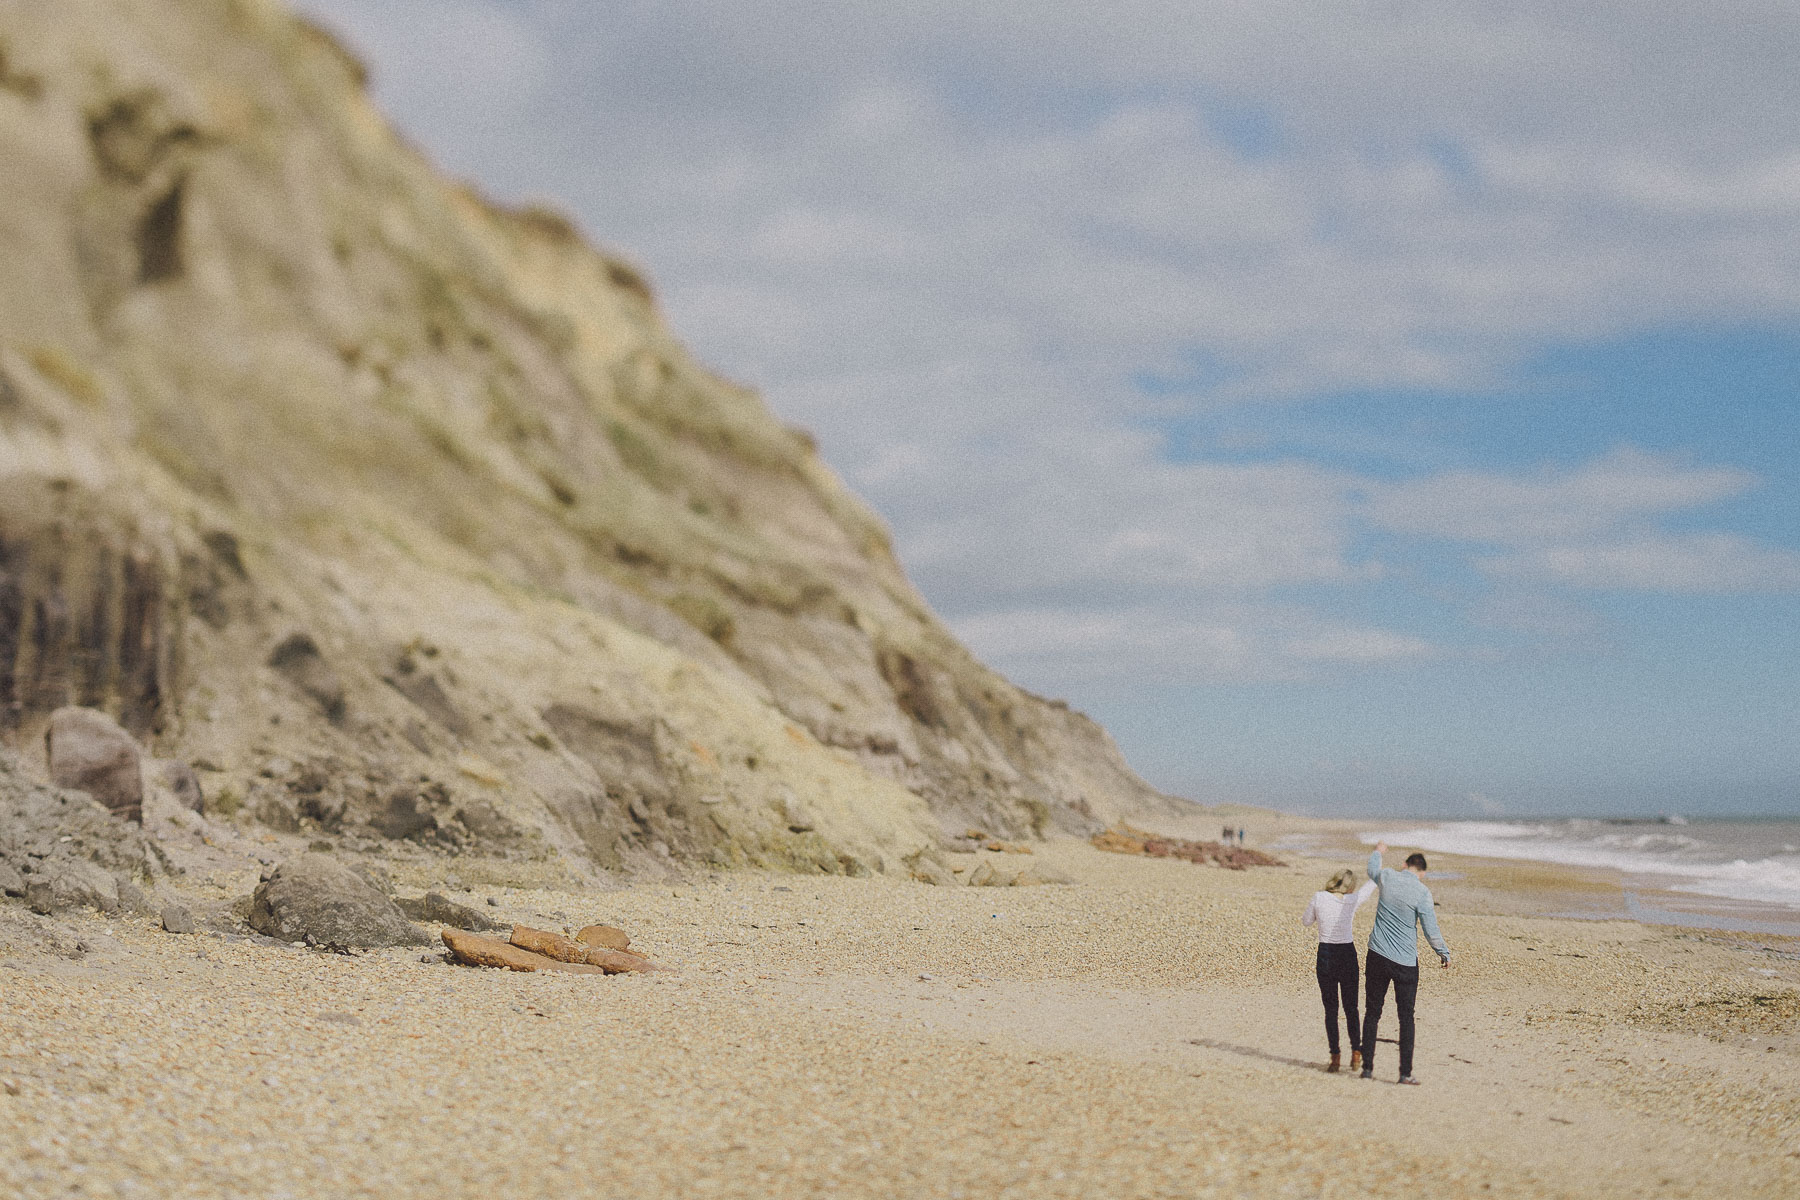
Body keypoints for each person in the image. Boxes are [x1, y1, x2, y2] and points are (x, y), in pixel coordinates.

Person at [1360, 841, 1450, 1085]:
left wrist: (1378, 851)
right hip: (1406, 962)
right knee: (1406, 1017)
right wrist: (1443, 952)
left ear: (1404, 865)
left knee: (1372, 1012)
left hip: (1377, 953)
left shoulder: (1387, 876)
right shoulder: (1423, 893)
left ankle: (1367, 1069)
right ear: (1422, 872)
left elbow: (1371, 870)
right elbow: (1431, 930)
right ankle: (1404, 1074)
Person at [1301, 868, 1377, 1072]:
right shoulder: (1352, 900)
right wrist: (1378, 861)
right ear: (1350, 886)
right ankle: (1356, 1054)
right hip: (1347, 954)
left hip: (1326, 953)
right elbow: (1371, 886)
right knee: (1351, 1008)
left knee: (1331, 1009)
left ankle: (1335, 1056)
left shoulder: (1319, 897)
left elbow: (1306, 921)